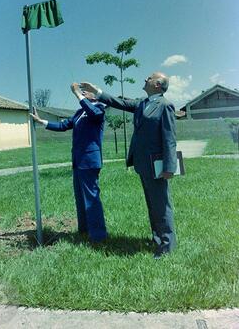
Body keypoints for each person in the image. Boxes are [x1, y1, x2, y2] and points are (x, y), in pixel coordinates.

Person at [81, 72, 177, 258]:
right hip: (143, 164)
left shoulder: (165, 105)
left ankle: (167, 247)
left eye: (148, 78)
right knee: (152, 204)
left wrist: (169, 167)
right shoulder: (142, 103)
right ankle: (157, 238)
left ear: (157, 85)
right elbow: (120, 103)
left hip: (157, 165)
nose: (145, 79)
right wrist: (97, 91)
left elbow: (170, 138)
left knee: (161, 205)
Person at [30, 83, 107, 243]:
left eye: (87, 91)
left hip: (89, 161)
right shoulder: (80, 113)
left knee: (92, 198)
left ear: (95, 95)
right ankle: (84, 231)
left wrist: (77, 94)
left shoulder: (99, 109)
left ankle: (98, 236)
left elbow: (92, 113)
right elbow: (64, 125)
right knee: (80, 198)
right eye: (83, 91)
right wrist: (41, 121)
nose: (84, 92)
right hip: (78, 162)